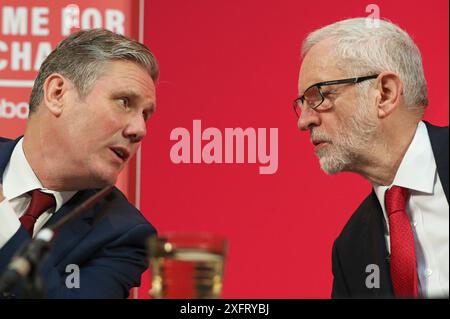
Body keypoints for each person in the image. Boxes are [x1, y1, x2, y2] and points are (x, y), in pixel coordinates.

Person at [294, 18, 448, 298]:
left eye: (319, 96)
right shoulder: (350, 250)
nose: (304, 121)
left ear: (385, 94)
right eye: (301, 104)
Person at [0, 29, 159, 298]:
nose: (140, 129)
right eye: (124, 102)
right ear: (57, 93)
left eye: (146, 114)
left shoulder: (124, 235)